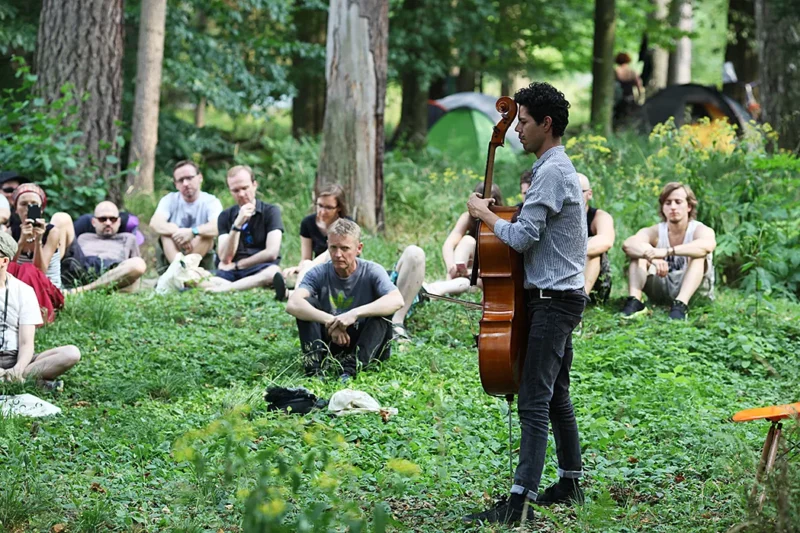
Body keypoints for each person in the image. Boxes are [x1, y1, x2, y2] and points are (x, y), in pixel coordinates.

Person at [463, 82, 588, 525]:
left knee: (534, 398)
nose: (517, 129)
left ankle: (519, 503)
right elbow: (534, 226)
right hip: (559, 296)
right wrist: (500, 213)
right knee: (556, 394)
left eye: (524, 122)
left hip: (555, 301)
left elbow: (522, 236)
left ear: (546, 124)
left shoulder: (551, 171)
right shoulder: (551, 168)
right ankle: (571, 482)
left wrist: (485, 215)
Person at [286, 218, 404, 381]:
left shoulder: (372, 271)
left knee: (382, 309)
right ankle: (314, 369)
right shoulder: (319, 272)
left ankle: (352, 370)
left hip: (367, 343)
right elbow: (293, 303)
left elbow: (397, 300)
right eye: (333, 247)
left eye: (345, 248)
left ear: (359, 248)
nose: (338, 254)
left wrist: (354, 314)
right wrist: (331, 321)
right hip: (331, 340)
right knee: (307, 304)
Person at [621, 182, 716, 320]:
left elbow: (707, 245)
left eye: (678, 202)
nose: (673, 207)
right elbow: (629, 244)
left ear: (689, 206)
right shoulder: (657, 231)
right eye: (668, 203)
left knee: (698, 255)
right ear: (662, 208)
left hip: (692, 289)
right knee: (639, 254)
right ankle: (635, 301)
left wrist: (667, 252)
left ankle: (681, 305)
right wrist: (652, 257)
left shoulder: (699, 229)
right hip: (662, 284)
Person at [0, 231, 80, 388]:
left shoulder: (23, 291)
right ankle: (29, 383)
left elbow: (26, 343)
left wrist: (18, 368)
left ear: (3, 261)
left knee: (71, 353)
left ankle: (14, 379)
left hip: (15, 357)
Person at [202, 165, 286, 296]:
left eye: (245, 188)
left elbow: (272, 252)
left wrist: (238, 265)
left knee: (274, 272)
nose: (241, 194)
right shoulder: (225, 216)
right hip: (229, 271)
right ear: (230, 191)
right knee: (195, 274)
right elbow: (225, 257)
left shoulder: (270, 211)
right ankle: (243, 285)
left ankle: (227, 288)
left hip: (260, 267)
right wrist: (237, 225)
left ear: (254, 185)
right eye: (235, 190)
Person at [423, 182, 503, 298]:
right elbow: (449, 244)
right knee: (467, 240)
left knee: (467, 283)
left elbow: (499, 267)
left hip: (484, 277)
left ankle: (440, 288)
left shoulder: (502, 220)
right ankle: (451, 281)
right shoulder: (468, 217)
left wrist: (472, 273)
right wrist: (452, 266)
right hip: (466, 272)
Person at [150, 160, 222, 273]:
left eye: (189, 178)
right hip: (174, 253)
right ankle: (179, 271)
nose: (185, 183)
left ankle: (181, 272)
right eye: (180, 180)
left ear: (200, 178)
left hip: (200, 256)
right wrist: (179, 233)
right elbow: (155, 223)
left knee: (207, 236)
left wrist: (193, 232)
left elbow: (218, 226)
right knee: (165, 234)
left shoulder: (211, 201)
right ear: (175, 184)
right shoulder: (169, 200)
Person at [63, 201, 147, 294]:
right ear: (93, 222)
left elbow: (136, 274)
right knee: (62, 220)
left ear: (119, 222)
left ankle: (81, 290)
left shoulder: (128, 238)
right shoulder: (83, 237)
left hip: (111, 270)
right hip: (83, 267)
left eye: (113, 219)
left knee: (138, 264)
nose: (108, 223)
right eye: (103, 219)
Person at [283, 183, 350, 281]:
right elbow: (306, 257)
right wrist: (300, 268)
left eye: (328, 207)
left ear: (339, 208)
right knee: (295, 272)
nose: (322, 211)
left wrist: (308, 267)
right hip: (317, 269)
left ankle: (299, 286)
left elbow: (343, 256)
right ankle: (292, 288)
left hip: (341, 268)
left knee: (332, 251)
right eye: (320, 206)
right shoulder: (308, 223)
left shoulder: (347, 225)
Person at [9, 184, 63, 289]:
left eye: (33, 204)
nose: (28, 208)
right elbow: (6, 269)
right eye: (23, 204)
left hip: (46, 289)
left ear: (41, 209)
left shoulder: (52, 232)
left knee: (29, 269)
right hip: (19, 288)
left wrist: (38, 241)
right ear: (16, 209)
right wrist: (21, 242)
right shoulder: (10, 233)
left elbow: (40, 271)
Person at [579, 173, 615, 302]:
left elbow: (606, 241)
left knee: (594, 248)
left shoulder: (600, 217)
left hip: (597, 285)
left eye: (579, 192)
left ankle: (580, 300)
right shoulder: (557, 217)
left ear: (589, 193)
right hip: (563, 277)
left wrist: (570, 253)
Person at [613, 52, 644, 126]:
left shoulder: (616, 71)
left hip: (619, 98)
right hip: (630, 97)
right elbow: (639, 86)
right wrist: (639, 98)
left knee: (617, 117)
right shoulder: (632, 72)